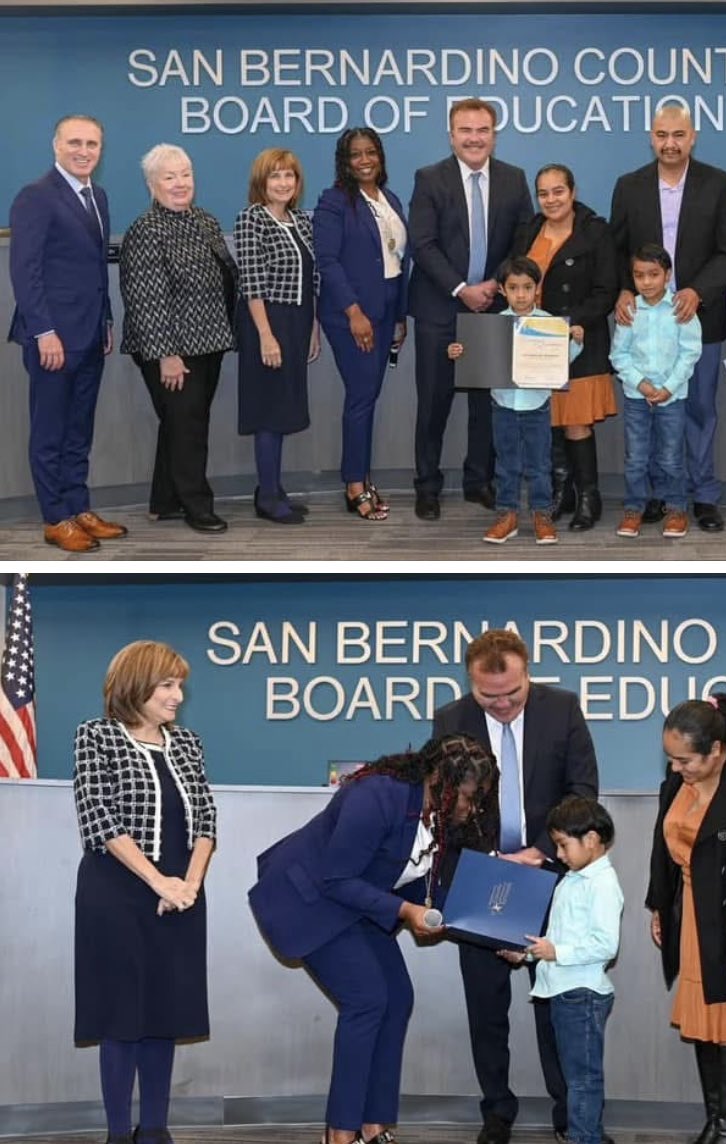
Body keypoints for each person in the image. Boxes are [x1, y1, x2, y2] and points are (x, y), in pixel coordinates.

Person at [249, 734, 495, 1144]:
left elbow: (421, 883)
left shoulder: (436, 813)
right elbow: (337, 878)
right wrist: (406, 913)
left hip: (360, 905)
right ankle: (340, 1132)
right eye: (467, 797)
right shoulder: (378, 795)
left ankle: (374, 1124)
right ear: (439, 779)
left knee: (397, 998)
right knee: (367, 1000)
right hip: (311, 900)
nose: (471, 809)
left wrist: (494, 929)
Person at [432, 629, 599, 1144]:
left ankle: (570, 1115)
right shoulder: (450, 720)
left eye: (513, 693)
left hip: (548, 881)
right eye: (489, 696)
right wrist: (484, 859)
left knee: (555, 1008)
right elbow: (439, 804)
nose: (502, 705)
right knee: (486, 1010)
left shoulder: (563, 708)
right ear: (471, 682)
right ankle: (496, 1113)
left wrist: (542, 852)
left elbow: (583, 792)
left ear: (527, 673)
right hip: (477, 882)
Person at [72, 640, 217, 1144]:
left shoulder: (188, 743)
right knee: (121, 1015)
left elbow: (205, 820)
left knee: (165, 1011)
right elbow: (100, 818)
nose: (178, 695)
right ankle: (117, 1134)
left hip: (181, 895)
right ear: (137, 685)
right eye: (168, 685)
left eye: (180, 685)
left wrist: (189, 886)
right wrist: (159, 881)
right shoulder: (96, 736)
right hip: (117, 895)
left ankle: (154, 1129)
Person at [646, 694, 726, 1144]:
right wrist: (660, 905)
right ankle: (716, 1118)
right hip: (689, 913)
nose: (676, 768)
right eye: (670, 759)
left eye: (685, 760)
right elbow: (661, 843)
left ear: (716, 751)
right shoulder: (677, 778)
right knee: (703, 1017)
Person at [609, 104, 726, 532]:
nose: (670, 143)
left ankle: (701, 496)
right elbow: (617, 249)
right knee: (645, 413)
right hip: (644, 325)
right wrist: (624, 288)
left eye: (679, 134)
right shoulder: (628, 186)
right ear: (651, 136)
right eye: (662, 134)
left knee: (699, 409)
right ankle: (652, 497)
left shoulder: (719, 184)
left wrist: (697, 291)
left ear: (693, 136)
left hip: (696, 319)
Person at [408, 98, 533, 521]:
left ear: (494, 135)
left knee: (486, 404)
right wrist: (462, 289)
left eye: (482, 130)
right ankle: (427, 485)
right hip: (439, 309)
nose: (474, 138)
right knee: (433, 403)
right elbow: (422, 244)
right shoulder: (429, 179)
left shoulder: (515, 180)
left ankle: (479, 480)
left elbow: (523, 241)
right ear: (451, 135)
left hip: (493, 306)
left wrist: (494, 286)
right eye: (466, 130)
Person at [8, 114, 127, 553]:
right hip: (53, 339)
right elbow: (25, 271)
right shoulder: (35, 197)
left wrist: (107, 319)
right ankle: (55, 517)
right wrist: (45, 332)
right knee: (50, 431)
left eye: (92, 143)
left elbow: (97, 270)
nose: (83, 150)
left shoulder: (97, 195)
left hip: (91, 333)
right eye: (75, 142)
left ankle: (78, 507)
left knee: (79, 429)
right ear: (56, 145)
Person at [119, 143, 237, 534]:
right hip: (170, 350)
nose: (179, 183)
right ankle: (197, 505)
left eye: (185, 174)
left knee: (180, 422)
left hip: (209, 342)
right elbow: (146, 299)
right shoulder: (145, 230)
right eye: (169, 177)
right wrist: (167, 355)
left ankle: (164, 501)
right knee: (188, 427)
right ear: (152, 184)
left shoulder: (203, 219)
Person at [500, 796, 623, 1144]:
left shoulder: (602, 884)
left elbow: (605, 945)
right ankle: (590, 1136)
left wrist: (556, 951)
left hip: (581, 994)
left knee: (582, 1080)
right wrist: (527, 955)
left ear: (592, 840)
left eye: (563, 845)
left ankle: (585, 1138)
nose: (560, 854)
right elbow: (559, 936)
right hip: (563, 991)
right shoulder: (573, 879)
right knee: (577, 1078)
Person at [511, 164, 619, 530]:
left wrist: (569, 324)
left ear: (572, 192)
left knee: (576, 423)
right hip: (535, 342)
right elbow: (514, 276)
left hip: (579, 339)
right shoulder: (529, 230)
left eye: (558, 191)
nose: (551, 199)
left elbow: (606, 290)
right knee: (550, 422)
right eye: (543, 193)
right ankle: (563, 492)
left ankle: (589, 496)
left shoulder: (595, 231)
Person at [447, 255, 583, 546]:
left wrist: (575, 342)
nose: (521, 295)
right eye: (513, 288)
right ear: (502, 291)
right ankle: (506, 515)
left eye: (527, 287)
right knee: (506, 464)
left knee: (539, 465)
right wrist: (461, 353)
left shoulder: (550, 324)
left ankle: (541, 515)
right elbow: (479, 361)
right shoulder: (494, 325)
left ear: (537, 289)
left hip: (537, 406)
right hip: (504, 406)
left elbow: (562, 364)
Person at [313, 128, 409, 522]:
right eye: (356, 154)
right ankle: (355, 484)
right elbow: (327, 260)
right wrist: (354, 313)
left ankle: (362, 476)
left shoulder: (391, 199)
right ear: (345, 160)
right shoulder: (333, 202)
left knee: (367, 398)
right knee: (360, 398)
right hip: (352, 318)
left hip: (387, 314)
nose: (365, 159)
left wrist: (400, 316)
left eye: (371, 152)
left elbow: (400, 261)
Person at [234, 147, 320, 525]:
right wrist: (266, 336)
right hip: (266, 321)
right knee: (269, 411)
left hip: (299, 320)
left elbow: (313, 279)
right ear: (261, 182)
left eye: (289, 176)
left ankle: (273, 486)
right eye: (275, 176)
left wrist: (313, 328)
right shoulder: (251, 219)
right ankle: (267, 495)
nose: (283, 183)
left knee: (285, 407)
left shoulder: (301, 221)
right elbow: (251, 284)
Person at [610, 243, 702, 540]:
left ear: (667, 274)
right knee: (636, 457)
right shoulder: (630, 310)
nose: (646, 282)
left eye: (653, 274)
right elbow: (618, 355)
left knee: (671, 456)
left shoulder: (680, 309)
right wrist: (642, 384)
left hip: (672, 398)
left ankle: (676, 509)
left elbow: (690, 353)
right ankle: (634, 508)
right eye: (639, 276)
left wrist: (667, 387)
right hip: (637, 397)